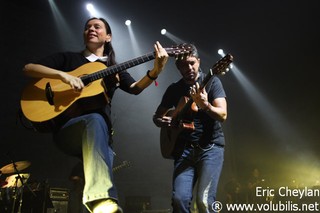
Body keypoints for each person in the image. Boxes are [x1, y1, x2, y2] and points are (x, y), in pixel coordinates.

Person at [23, 17, 168, 213]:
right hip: (68, 130)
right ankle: (100, 199)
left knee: (97, 181)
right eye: (87, 27)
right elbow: (29, 68)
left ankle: (100, 204)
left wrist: (156, 70)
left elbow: (135, 88)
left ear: (108, 37)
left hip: (100, 136)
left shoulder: (113, 68)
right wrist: (63, 75)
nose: (91, 29)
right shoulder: (69, 59)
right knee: (95, 120)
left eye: (97, 26)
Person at [153, 44, 227, 213]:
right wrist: (166, 122)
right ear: (178, 67)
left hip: (210, 148)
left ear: (199, 62)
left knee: (204, 201)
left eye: (192, 63)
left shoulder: (212, 82)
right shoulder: (174, 89)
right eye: (184, 65)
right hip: (184, 151)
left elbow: (223, 115)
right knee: (179, 200)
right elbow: (156, 117)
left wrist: (205, 105)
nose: (189, 68)